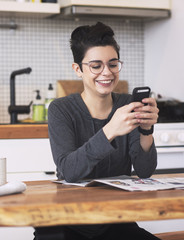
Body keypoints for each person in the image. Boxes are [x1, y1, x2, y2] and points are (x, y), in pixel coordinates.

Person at [34, 22, 160, 240]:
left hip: (116, 222)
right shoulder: (61, 109)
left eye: (113, 64)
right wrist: (111, 129)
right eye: (96, 66)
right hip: (68, 223)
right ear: (78, 69)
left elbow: (145, 172)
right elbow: (69, 170)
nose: (107, 73)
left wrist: (146, 131)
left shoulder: (128, 105)